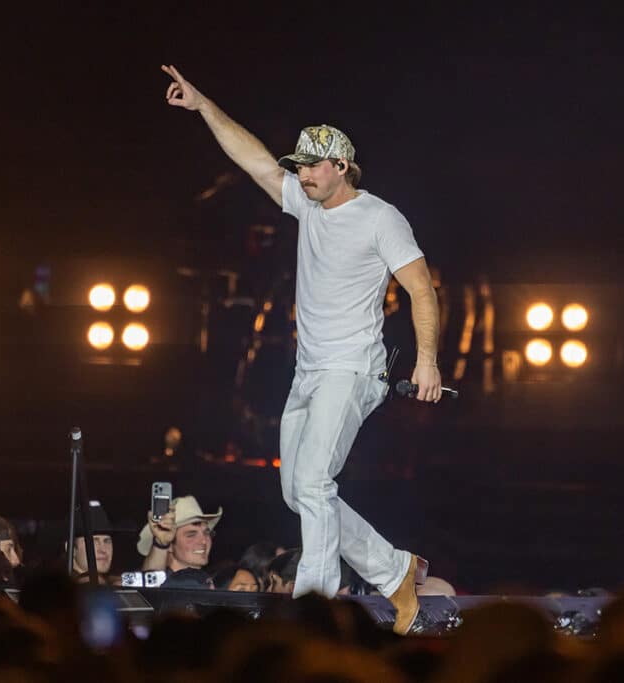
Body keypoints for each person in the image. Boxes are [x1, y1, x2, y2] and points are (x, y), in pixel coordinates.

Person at [163, 64, 441, 634]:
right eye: (300, 168)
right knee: (297, 492)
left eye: (312, 166)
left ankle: (311, 615)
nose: (302, 176)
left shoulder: (380, 217)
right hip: (308, 370)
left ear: (341, 166)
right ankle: (395, 570)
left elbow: (420, 287)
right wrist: (203, 104)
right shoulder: (306, 202)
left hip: (353, 370)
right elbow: (256, 160)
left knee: (313, 484)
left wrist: (428, 359)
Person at [137, 495, 222, 574]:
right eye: (191, 535)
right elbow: (152, 586)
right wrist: (160, 544)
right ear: (169, 545)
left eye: (206, 533)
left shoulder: (209, 583)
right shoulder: (165, 585)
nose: (204, 541)